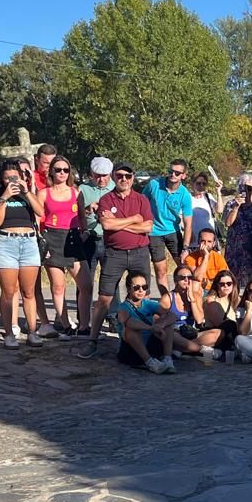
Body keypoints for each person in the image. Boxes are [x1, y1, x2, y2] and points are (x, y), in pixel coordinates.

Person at [85, 164, 152, 351]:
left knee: (143, 296)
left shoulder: (141, 199)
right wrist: (134, 219)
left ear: (133, 177)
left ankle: (146, 337)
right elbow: (106, 225)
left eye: (127, 176)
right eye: (120, 176)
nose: (124, 179)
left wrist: (119, 224)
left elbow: (147, 227)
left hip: (139, 252)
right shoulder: (106, 199)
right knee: (104, 298)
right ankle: (92, 341)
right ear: (114, 177)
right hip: (114, 254)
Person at [0, 159, 46, 349]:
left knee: (29, 291)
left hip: (28, 242)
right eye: (7, 178)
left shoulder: (27, 195)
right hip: (6, 242)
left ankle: (33, 332)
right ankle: (9, 333)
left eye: (15, 177)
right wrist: (5, 197)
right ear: (2, 180)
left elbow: (40, 212)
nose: (12, 180)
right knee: (9, 292)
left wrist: (26, 191)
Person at [39, 155, 83, 335]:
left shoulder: (76, 192)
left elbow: (81, 216)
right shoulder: (44, 193)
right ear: (51, 172)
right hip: (52, 236)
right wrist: (41, 240)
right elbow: (38, 219)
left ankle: (85, 324)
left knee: (85, 284)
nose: (62, 173)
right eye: (58, 170)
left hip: (72, 237)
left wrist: (85, 232)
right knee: (58, 286)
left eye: (66, 170)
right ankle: (65, 324)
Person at [73, 156, 113, 337]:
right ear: (91, 174)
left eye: (105, 175)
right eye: (98, 175)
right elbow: (76, 214)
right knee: (84, 281)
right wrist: (88, 209)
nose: (101, 179)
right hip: (88, 237)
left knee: (111, 279)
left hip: (109, 238)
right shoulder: (83, 190)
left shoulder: (115, 188)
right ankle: (83, 320)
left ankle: (112, 316)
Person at [110, 273, 176, 373]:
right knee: (130, 330)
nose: (141, 290)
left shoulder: (148, 304)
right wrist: (151, 328)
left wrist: (160, 325)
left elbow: (171, 315)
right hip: (131, 351)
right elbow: (128, 322)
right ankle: (150, 363)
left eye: (144, 287)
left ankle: (167, 359)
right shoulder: (123, 307)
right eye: (136, 287)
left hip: (150, 345)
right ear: (128, 289)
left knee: (168, 326)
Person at [144, 157, 193, 289]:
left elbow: (188, 224)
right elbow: (141, 202)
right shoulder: (154, 185)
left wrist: (186, 248)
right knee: (161, 270)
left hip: (173, 232)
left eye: (177, 173)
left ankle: (185, 297)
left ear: (183, 175)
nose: (173, 174)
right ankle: (166, 302)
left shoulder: (185, 195)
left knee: (184, 268)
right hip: (154, 233)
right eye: (171, 171)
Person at [222, 173, 252, 288]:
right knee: (235, 282)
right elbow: (227, 223)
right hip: (237, 250)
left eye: (249, 188)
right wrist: (236, 207)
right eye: (242, 187)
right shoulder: (231, 203)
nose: (246, 190)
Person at [201, 270, 242, 361]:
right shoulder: (211, 300)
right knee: (229, 325)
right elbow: (221, 323)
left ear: (233, 284)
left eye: (229, 283)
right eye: (222, 284)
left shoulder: (235, 300)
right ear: (217, 285)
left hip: (231, 337)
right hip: (217, 337)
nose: (226, 286)